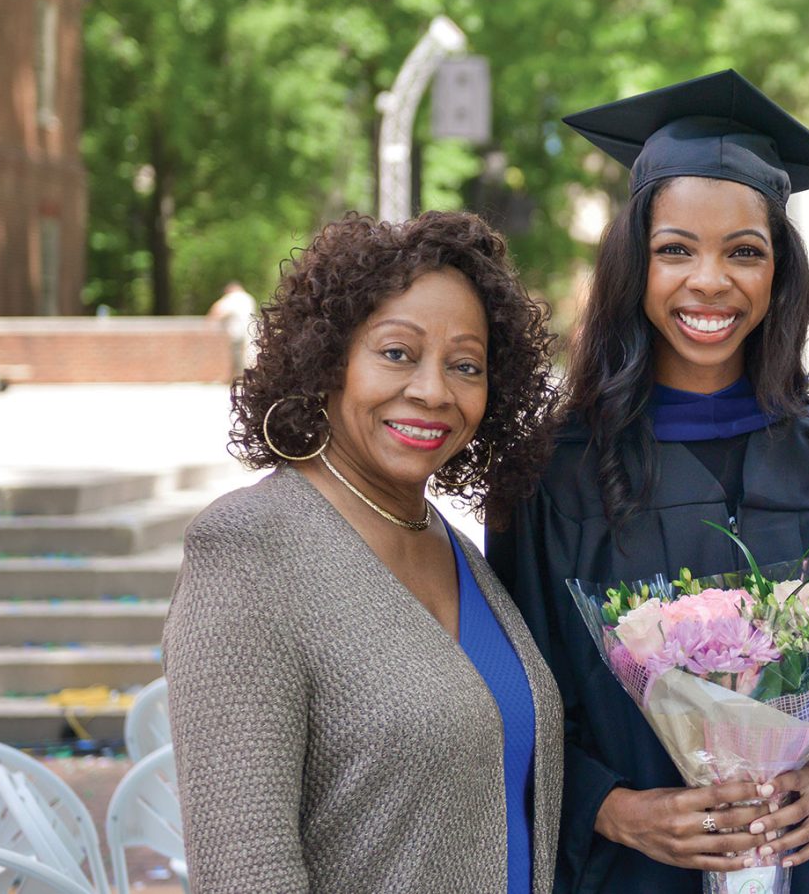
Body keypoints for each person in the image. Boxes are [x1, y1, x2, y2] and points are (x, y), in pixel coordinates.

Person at [487, 70, 809, 894]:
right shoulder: (549, 472)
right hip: (628, 876)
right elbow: (514, 698)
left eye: (745, 251)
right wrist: (609, 809)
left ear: (780, 271)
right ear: (635, 265)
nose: (709, 282)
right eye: (675, 250)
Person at [164, 211, 565, 894]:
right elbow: (245, 874)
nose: (433, 390)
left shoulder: (459, 550)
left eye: (464, 365)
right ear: (328, 360)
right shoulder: (249, 551)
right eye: (397, 353)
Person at [206, 280, 258, 379]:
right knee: (247, 355)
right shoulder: (248, 298)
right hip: (250, 332)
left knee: (237, 355)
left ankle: (238, 377)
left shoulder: (232, 298)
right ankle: (242, 376)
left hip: (237, 332)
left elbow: (217, 310)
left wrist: (210, 322)